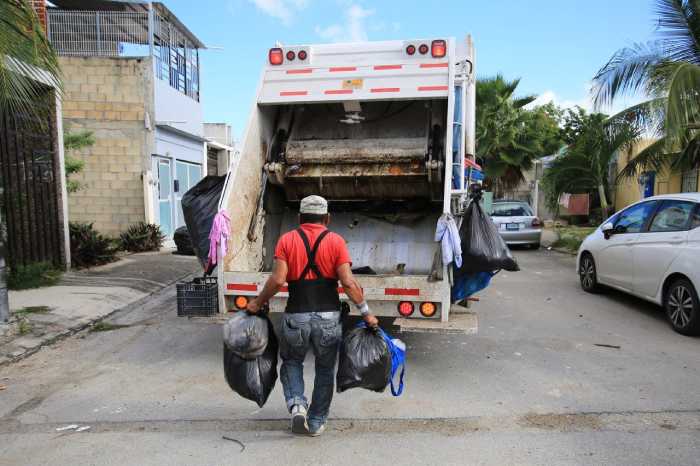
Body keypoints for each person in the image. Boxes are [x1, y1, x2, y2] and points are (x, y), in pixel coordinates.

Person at [246, 195, 378, 437]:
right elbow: (348, 282)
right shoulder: (336, 241)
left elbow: (277, 280)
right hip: (329, 317)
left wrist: (257, 303)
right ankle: (316, 421)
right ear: (327, 218)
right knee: (325, 369)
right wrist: (366, 313)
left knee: (293, 362)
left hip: (296, 315)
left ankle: (297, 405)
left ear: (299, 218)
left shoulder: (287, 240)